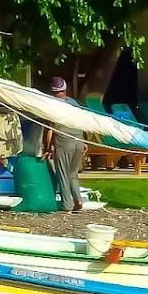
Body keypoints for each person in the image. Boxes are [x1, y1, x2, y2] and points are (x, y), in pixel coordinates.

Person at [43, 76, 87, 212]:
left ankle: (66, 205)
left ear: (52, 91)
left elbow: (50, 130)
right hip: (79, 141)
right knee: (73, 173)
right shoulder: (74, 103)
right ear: (65, 89)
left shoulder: (52, 104)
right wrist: (84, 141)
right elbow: (83, 122)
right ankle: (78, 200)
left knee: (62, 174)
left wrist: (48, 147)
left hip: (64, 142)